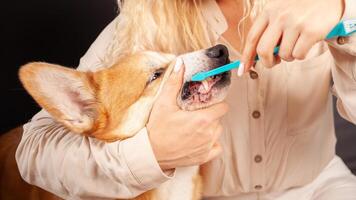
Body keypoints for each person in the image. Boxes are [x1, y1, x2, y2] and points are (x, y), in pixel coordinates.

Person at [16, 0, 356, 199]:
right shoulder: (141, 25)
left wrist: (343, 11)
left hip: (320, 187)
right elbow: (34, 150)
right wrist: (150, 154)